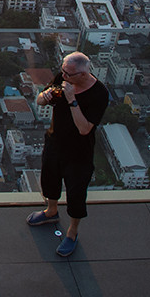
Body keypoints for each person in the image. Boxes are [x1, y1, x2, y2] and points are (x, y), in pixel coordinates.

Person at [26, 51, 109, 257]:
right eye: (62, 72)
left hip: (79, 152)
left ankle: (72, 233)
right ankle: (51, 211)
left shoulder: (99, 93)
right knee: (50, 180)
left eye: (68, 74)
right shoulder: (63, 77)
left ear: (82, 74)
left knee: (76, 193)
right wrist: (44, 97)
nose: (63, 77)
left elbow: (84, 128)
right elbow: (39, 100)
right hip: (55, 141)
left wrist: (72, 100)